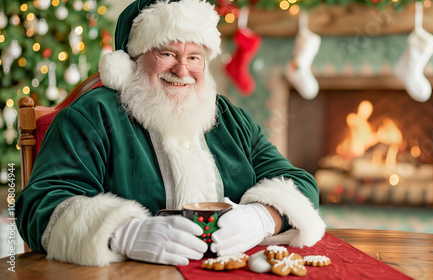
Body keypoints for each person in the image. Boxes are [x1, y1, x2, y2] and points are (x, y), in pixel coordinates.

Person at [16, 0, 325, 267]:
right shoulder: (92, 115)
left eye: (194, 57)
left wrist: (262, 217)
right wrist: (123, 234)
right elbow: (39, 204)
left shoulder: (229, 118)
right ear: (133, 59)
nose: (182, 70)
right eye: (166, 53)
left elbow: (298, 182)